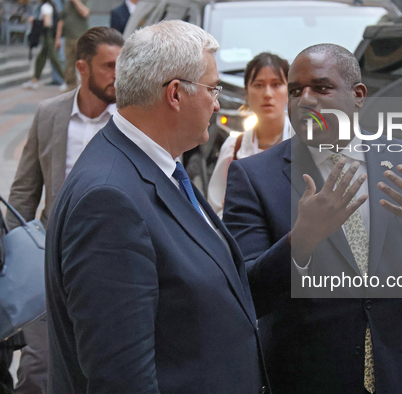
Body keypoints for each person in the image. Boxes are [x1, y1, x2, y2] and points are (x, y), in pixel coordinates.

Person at [222, 43, 402, 394]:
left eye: (321, 87)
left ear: (358, 95)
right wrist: (300, 242)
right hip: (307, 378)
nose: (306, 100)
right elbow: (246, 293)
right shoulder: (254, 177)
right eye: (297, 90)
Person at [44, 20, 267, 393]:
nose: (216, 103)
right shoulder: (109, 200)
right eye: (212, 88)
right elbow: (122, 378)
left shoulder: (157, 166)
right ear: (175, 94)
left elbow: (217, 290)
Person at [8, 26, 124, 394]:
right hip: (51, 260)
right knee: (38, 369)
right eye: (108, 66)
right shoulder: (49, 115)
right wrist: (15, 258)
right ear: (82, 68)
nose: (117, 76)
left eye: (123, 66)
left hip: (114, 261)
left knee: (102, 365)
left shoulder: (131, 120)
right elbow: (24, 193)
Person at [208, 52, 290, 217]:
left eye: (276, 84)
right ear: (246, 92)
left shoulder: (304, 143)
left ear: (290, 90)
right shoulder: (233, 148)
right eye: (259, 85)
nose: (267, 94)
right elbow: (216, 210)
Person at [22, 0, 66, 91]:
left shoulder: (46, 7)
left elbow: (47, 23)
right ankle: (35, 79)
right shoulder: (51, 5)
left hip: (48, 36)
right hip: (49, 36)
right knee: (41, 58)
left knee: (54, 58)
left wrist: (34, 21)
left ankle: (66, 80)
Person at [55, 0, 90, 91]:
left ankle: (86, 86)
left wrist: (76, 2)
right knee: (69, 62)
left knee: (83, 62)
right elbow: (61, 21)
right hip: (68, 38)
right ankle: (71, 85)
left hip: (80, 38)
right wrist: (58, 38)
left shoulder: (84, 2)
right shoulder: (67, 5)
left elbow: (85, 13)